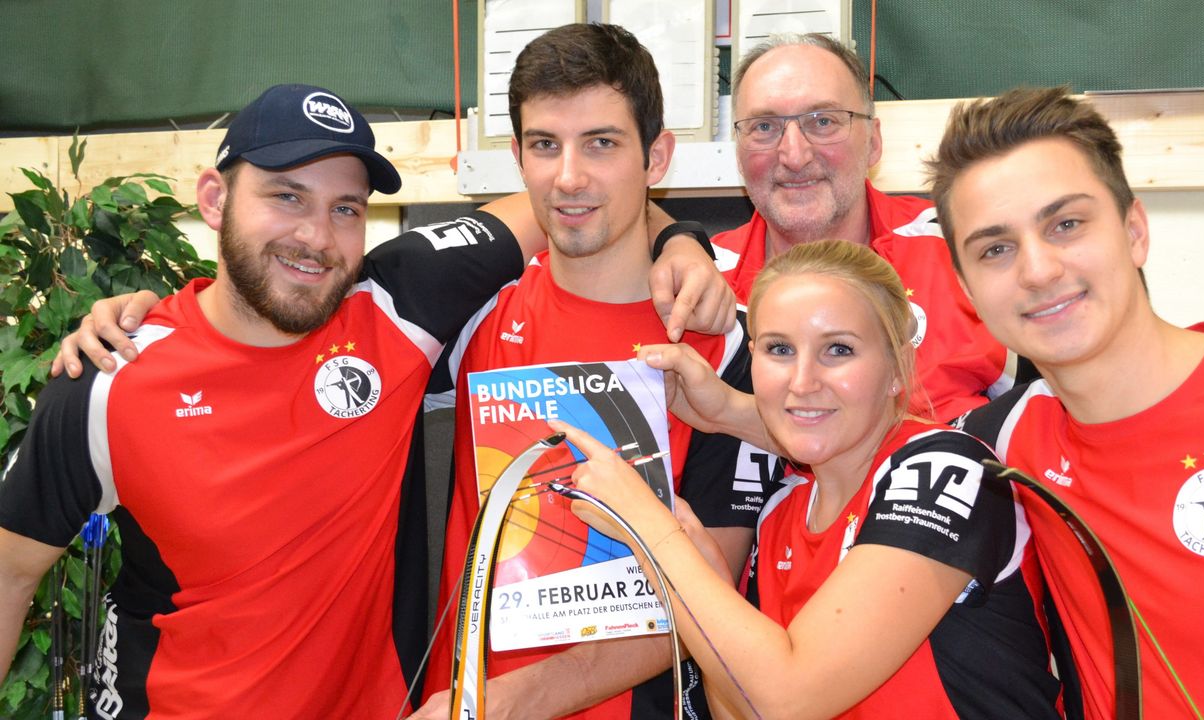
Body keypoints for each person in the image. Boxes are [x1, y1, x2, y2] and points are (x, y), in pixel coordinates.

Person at [1, 83, 730, 719]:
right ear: (215, 197)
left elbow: (571, 199)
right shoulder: (109, 377)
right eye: (286, 196)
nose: (316, 237)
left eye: (345, 208)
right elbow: (10, 575)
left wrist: (686, 243)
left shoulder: (399, 303)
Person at [417, 24, 766, 720]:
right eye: (545, 145)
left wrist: (508, 703)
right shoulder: (473, 315)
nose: (569, 176)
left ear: (656, 156)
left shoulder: (722, 340)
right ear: (517, 157)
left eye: (602, 143)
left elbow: (716, 585)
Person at [555, 239, 1062, 719]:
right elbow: (743, 706)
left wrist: (652, 532)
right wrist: (707, 577)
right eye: (778, 349)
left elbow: (787, 697)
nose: (802, 381)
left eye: (838, 350)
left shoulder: (944, 471)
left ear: (897, 368)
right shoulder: (782, 506)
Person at [927, 86, 1204, 718]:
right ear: (966, 291)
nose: (1038, 270)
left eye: (1066, 224)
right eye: (996, 249)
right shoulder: (1002, 441)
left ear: (1135, 231)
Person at [714, 33, 1011, 421]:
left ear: (873, 142)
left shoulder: (961, 250)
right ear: (738, 152)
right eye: (764, 127)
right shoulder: (700, 280)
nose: (794, 155)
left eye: (822, 121)